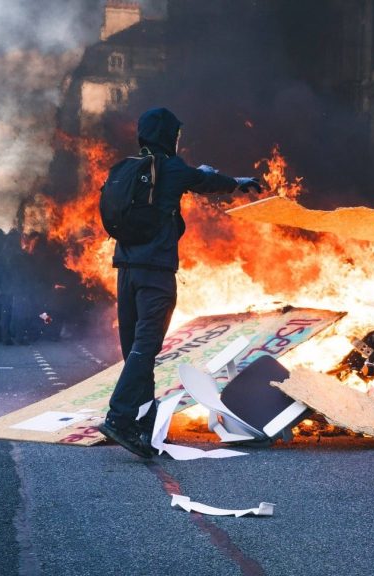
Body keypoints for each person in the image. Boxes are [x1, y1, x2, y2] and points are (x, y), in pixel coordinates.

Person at [98, 107, 262, 458]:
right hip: (156, 273)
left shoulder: (123, 169)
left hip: (125, 270)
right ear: (170, 136)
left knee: (135, 351)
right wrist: (238, 183)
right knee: (145, 348)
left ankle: (145, 424)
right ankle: (120, 416)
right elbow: (206, 182)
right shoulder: (171, 168)